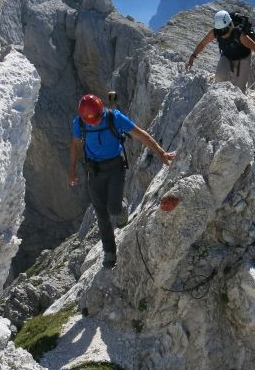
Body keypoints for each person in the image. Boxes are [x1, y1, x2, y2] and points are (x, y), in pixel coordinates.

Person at [68, 93, 176, 267]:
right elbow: (75, 145)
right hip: (94, 171)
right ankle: (109, 253)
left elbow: (140, 134)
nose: (93, 123)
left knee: (114, 208)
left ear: (101, 111)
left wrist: (160, 152)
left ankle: (121, 207)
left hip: (115, 168)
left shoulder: (114, 118)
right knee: (101, 214)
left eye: (95, 119)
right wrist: (72, 169)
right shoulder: (79, 123)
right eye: (90, 121)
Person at [185, 10, 255, 91]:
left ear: (231, 25)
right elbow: (203, 43)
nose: (223, 35)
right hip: (227, 56)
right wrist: (192, 57)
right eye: (220, 32)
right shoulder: (215, 32)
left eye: (225, 31)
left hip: (243, 58)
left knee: (239, 89)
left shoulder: (240, 35)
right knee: (219, 77)